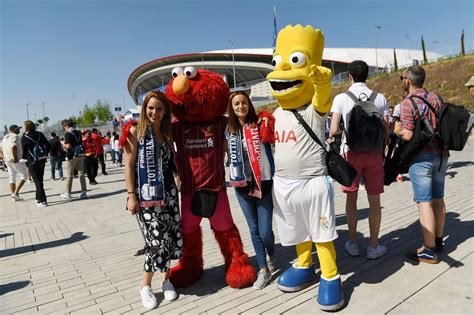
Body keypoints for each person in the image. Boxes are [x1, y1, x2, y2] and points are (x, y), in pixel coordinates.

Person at [122, 91, 182, 310]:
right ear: (144, 109)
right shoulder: (135, 132)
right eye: (150, 108)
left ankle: (166, 280)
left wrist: (176, 175)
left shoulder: (166, 134)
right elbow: (128, 166)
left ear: (165, 111)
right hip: (146, 196)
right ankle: (145, 286)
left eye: (159, 108)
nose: (154, 112)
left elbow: (170, 163)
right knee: (156, 241)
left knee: (171, 237)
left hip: (169, 195)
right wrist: (131, 195)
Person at [329, 60, 389, 259]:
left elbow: (334, 129)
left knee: (351, 199)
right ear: (367, 76)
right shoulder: (379, 98)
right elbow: (386, 131)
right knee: (374, 201)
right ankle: (374, 246)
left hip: (351, 154)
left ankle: (353, 243)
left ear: (349, 76)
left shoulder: (341, 98)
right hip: (374, 155)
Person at [394, 65, 447, 264]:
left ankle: (428, 249)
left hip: (421, 158)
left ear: (408, 80)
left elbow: (407, 134)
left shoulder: (408, 103)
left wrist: (397, 129)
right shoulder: (436, 98)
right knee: (438, 198)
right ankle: (439, 240)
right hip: (441, 155)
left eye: (402, 78)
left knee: (424, 201)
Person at [226, 91, 276, 289]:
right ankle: (264, 270)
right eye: (236, 104)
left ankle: (271, 253)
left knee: (265, 231)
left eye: (243, 103)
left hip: (262, 182)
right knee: (253, 229)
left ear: (249, 104)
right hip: (241, 185)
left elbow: (273, 141)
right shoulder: (228, 130)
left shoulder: (260, 123)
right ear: (232, 107)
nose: (240, 107)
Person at [21, 120, 51, 207]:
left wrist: (25, 162)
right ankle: (38, 198)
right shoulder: (39, 134)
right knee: (40, 179)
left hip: (32, 161)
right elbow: (48, 145)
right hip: (41, 160)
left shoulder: (25, 137)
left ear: (26, 127)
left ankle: (43, 201)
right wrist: (45, 154)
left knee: (37, 181)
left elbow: (25, 152)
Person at [61, 119, 87, 200]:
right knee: (81, 173)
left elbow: (68, 146)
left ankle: (68, 193)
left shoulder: (67, 134)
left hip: (72, 156)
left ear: (67, 126)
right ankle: (84, 192)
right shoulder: (78, 132)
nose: (64, 128)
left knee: (69, 175)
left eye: (64, 127)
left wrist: (62, 144)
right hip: (80, 154)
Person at [2, 124, 28, 200]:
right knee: (25, 176)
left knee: (12, 177)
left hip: (7, 160)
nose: (19, 130)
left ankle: (14, 197)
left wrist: (4, 157)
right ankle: (15, 192)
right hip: (16, 160)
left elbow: (1, 149)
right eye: (18, 129)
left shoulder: (5, 137)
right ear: (14, 129)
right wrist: (15, 158)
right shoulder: (15, 137)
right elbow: (14, 147)